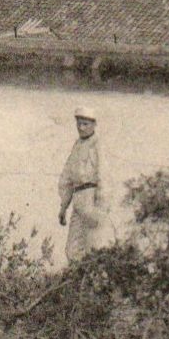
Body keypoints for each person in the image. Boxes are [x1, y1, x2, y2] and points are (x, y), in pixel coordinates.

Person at [57, 104, 108, 262]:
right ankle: (76, 282)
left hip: (92, 198)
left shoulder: (98, 145)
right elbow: (67, 177)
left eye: (85, 124)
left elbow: (104, 176)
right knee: (72, 249)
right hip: (78, 200)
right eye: (79, 123)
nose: (81, 127)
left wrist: (101, 207)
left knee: (92, 246)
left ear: (94, 125)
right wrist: (63, 207)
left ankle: (92, 283)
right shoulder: (77, 145)